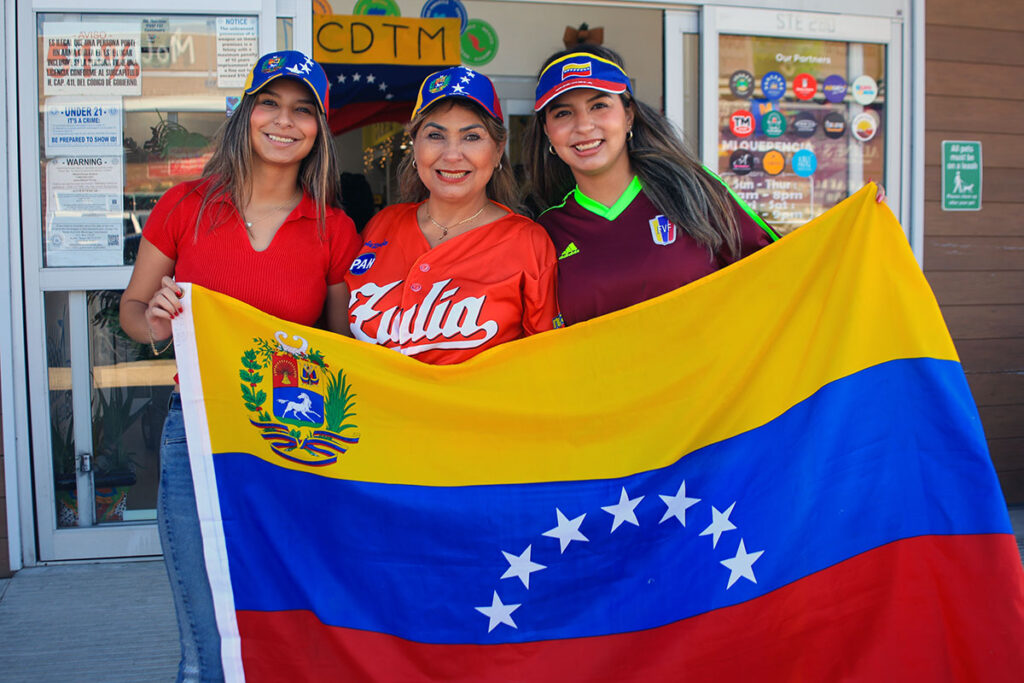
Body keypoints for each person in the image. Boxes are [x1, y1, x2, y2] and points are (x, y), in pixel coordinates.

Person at [118, 51, 360, 681]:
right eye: (270, 104)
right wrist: (157, 322)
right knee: (206, 635)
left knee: (284, 624)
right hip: (195, 431)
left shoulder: (334, 228)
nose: (285, 121)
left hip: (296, 439)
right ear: (246, 114)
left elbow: (341, 350)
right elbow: (134, 310)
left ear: (320, 127)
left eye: (303, 110)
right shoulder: (185, 205)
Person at [524, 45, 883, 326]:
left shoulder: (690, 190)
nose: (584, 126)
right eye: (563, 113)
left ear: (629, 114)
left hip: (710, 414)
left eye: (599, 105)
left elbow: (780, 265)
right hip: (607, 416)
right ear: (547, 132)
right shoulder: (545, 230)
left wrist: (855, 225)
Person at [345, 66, 558, 364]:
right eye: (435, 135)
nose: (452, 154)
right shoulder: (382, 225)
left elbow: (544, 366)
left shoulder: (528, 243)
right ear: (415, 145)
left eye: (471, 137)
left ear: (498, 150)